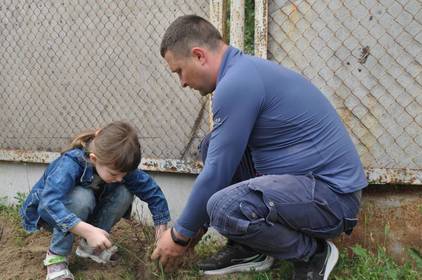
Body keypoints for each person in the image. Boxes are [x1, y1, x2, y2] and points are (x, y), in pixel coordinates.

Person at [151, 15, 368, 279]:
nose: (182, 82)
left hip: (332, 199)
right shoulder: (243, 72)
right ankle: (249, 249)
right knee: (212, 146)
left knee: (222, 206)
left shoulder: (236, 83)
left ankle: (313, 254)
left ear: (199, 56)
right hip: (311, 189)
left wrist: (180, 235)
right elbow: (222, 159)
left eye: (179, 71)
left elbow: (217, 173)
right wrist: (197, 226)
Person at [20, 121, 170, 280]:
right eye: (114, 174)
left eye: (124, 174)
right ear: (94, 158)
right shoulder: (70, 164)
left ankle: (90, 247)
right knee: (82, 198)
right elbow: (48, 205)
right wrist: (89, 231)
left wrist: (161, 235)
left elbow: (153, 193)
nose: (119, 178)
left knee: (125, 192)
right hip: (53, 216)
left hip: (84, 217)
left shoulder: (117, 166)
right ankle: (56, 257)